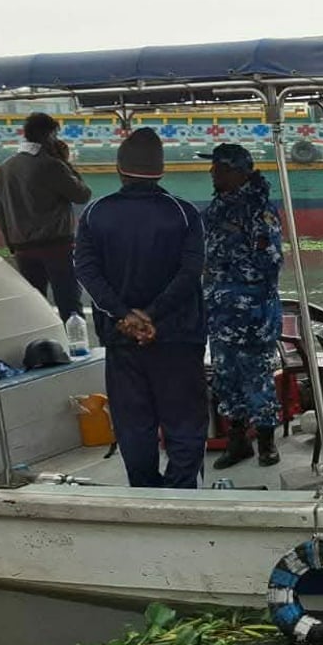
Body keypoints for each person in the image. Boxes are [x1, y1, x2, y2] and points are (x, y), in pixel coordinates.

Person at [73, 128, 208, 489]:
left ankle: (146, 492)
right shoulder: (183, 214)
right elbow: (190, 272)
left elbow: (86, 271)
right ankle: (181, 492)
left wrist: (123, 315)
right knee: (184, 422)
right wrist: (154, 314)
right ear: (161, 170)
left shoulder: (94, 214)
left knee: (134, 424)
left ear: (119, 169)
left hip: (122, 341)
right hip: (178, 336)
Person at [198, 144, 284, 470]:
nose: (212, 173)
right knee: (224, 378)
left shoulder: (258, 211)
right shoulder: (218, 208)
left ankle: (266, 444)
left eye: (218, 168)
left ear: (237, 172)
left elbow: (270, 263)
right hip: (220, 312)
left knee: (257, 377)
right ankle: (237, 442)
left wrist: (235, 282)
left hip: (252, 312)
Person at [0, 112, 92, 321]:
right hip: (56, 246)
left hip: (22, 247)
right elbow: (82, 194)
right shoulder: (51, 165)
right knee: (69, 304)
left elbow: (0, 211)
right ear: (50, 135)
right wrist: (66, 163)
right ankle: (73, 349)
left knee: (35, 307)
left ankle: (42, 347)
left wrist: (12, 243)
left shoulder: (5, 168)